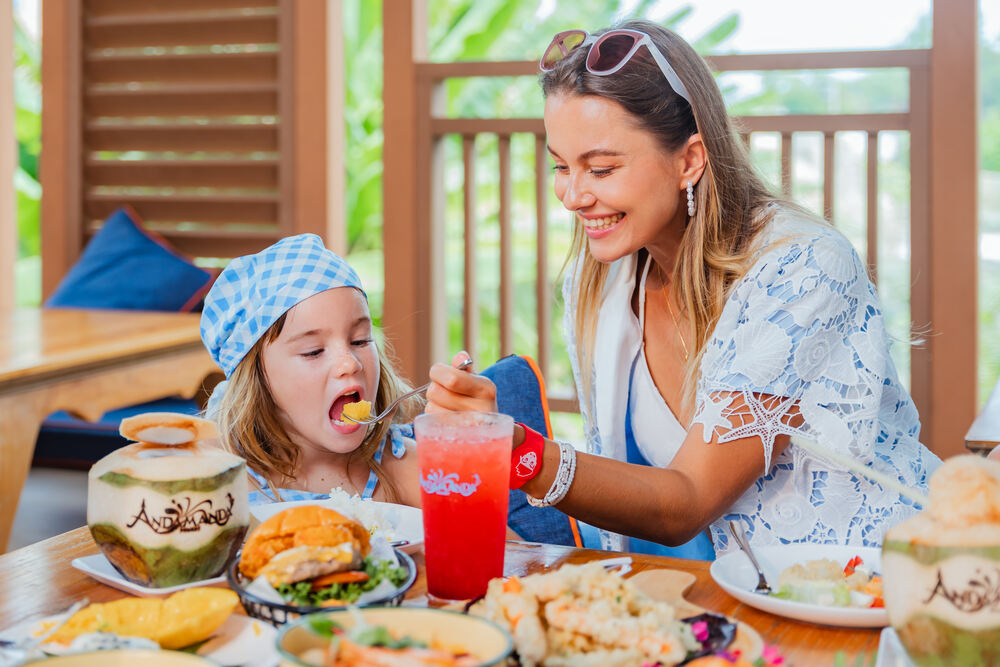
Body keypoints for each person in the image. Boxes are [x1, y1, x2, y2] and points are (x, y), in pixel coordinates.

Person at [425, 20, 941, 557]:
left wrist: (523, 454)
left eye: (600, 169)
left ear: (689, 159)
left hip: (866, 589)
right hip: (709, 600)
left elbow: (687, 502)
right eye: (561, 166)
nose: (573, 196)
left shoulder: (803, 269)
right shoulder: (601, 279)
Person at [200, 234, 423, 506]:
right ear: (257, 378)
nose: (350, 363)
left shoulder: (405, 468)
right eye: (313, 351)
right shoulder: (215, 479)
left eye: (360, 340)